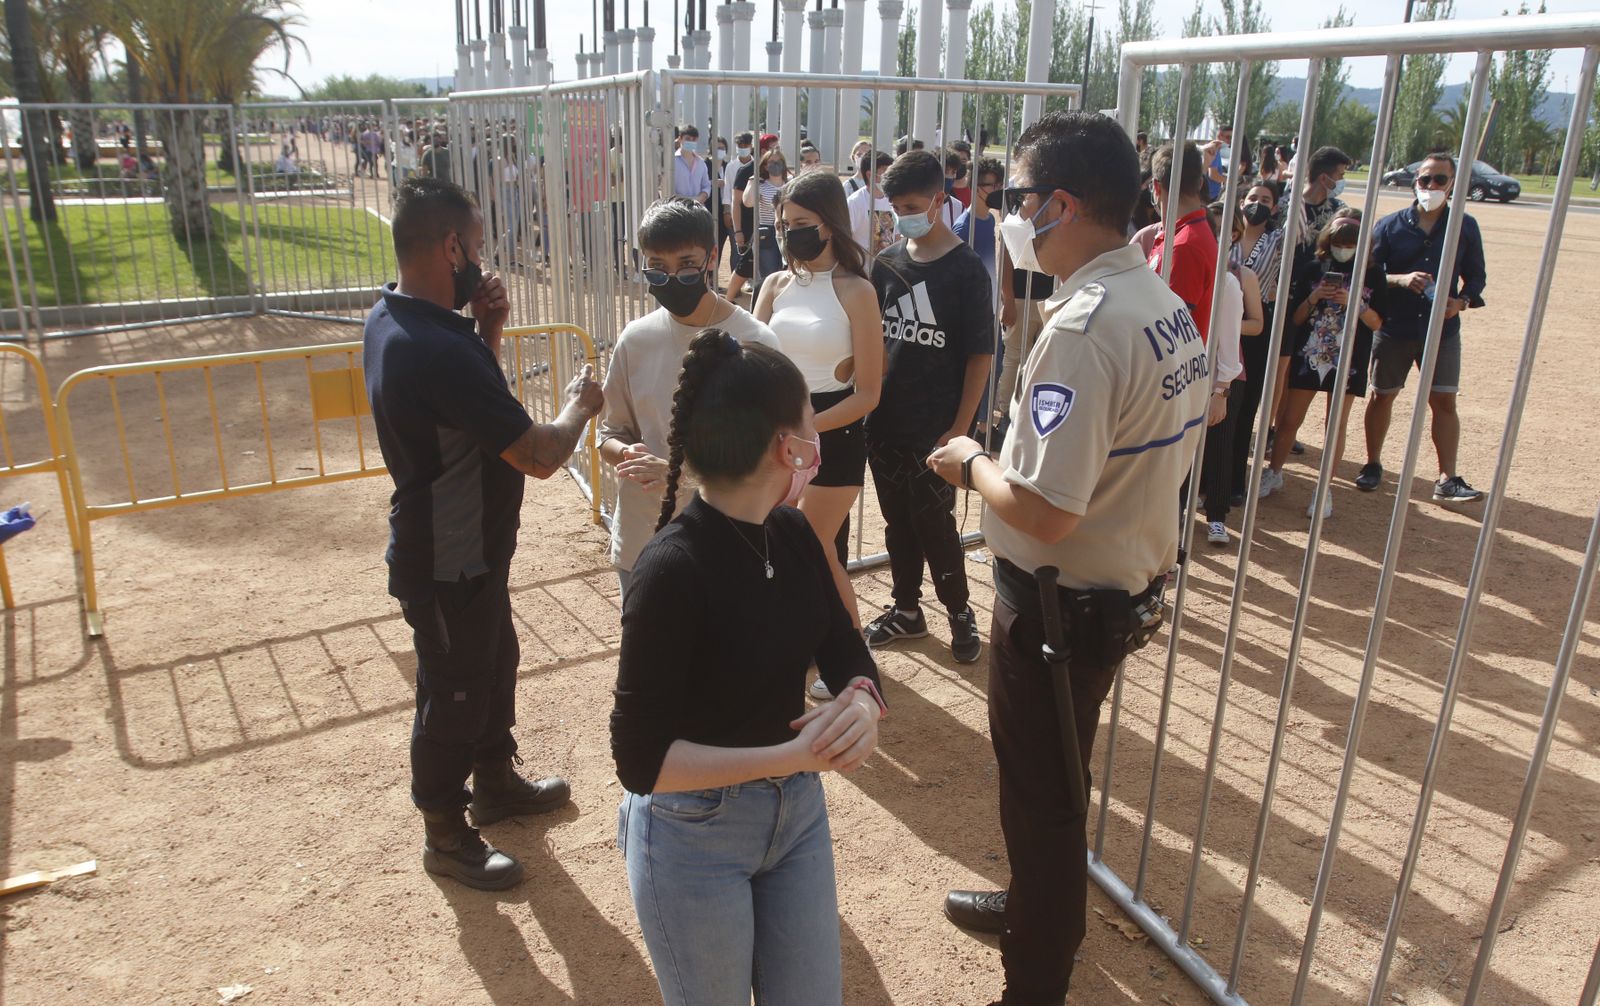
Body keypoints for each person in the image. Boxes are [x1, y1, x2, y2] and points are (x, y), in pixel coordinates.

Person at [926, 111, 1210, 1006]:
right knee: (1055, 773)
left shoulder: (1086, 327)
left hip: (1059, 604)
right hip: (1109, 591)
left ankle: (1033, 979)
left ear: (1061, 203)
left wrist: (969, 460)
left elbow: (1044, 511)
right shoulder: (1156, 301)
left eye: (1016, 198)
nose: (1010, 215)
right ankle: (1028, 907)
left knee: (1042, 803)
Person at [610, 329, 886, 1006]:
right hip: (692, 834)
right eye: (808, 418)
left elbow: (846, 647)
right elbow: (639, 760)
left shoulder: (792, 533)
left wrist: (862, 700)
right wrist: (791, 752)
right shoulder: (671, 571)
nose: (817, 433)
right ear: (784, 446)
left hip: (795, 817)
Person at [363, 177, 603, 890]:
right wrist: (578, 406)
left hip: (470, 555)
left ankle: (496, 783)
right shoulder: (435, 347)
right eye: (477, 246)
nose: (483, 260)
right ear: (450, 246)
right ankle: (445, 831)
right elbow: (538, 454)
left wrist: (490, 334)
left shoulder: (397, 318)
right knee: (455, 693)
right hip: (447, 562)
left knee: (495, 659)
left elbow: (467, 412)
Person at [598, 198, 779, 598]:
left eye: (686, 264)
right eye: (657, 267)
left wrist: (678, 473)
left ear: (713, 257)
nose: (672, 277)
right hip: (642, 542)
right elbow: (608, 433)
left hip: (727, 542)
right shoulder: (635, 338)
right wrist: (629, 456)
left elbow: (774, 459)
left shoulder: (757, 342)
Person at [754, 171, 884, 696]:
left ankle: (854, 659)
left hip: (834, 433)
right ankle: (803, 644)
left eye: (801, 224)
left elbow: (869, 393)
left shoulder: (858, 291)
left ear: (830, 223)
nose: (789, 234)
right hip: (774, 432)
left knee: (813, 547)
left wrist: (806, 432)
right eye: (784, 224)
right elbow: (753, 351)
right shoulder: (775, 284)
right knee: (777, 548)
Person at [862, 149, 992, 664]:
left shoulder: (965, 271)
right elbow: (875, 340)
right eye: (895, 205)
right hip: (885, 423)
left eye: (913, 204)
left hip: (936, 430)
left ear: (941, 200)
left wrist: (959, 429)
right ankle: (906, 610)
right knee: (897, 525)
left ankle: (959, 611)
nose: (903, 214)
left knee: (937, 525)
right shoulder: (887, 263)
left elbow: (980, 356)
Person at [1358, 151, 1487, 503]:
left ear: (1453, 184)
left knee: (1444, 401)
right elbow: (1367, 276)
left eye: (1439, 180)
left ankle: (1448, 478)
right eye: (1424, 179)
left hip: (1442, 331)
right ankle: (1372, 465)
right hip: (1394, 328)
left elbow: (1476, 278)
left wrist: (1459, 303)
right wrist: (1400, 280)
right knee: (1382, 395)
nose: (1430, 186)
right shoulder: (1388, 226)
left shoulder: (1465, 226)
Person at [1258, 209, 1386, 518]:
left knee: (1335, 425)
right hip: (1310, 356)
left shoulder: (1373, 274)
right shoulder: (1313, 267)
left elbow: (1378, 322)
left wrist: (1355, 303)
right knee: (1289, 418)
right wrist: (1315, 297)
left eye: (1350, 241)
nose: (1343, 246)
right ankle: (1274, 472)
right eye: (1338, 240)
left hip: (1349, 359)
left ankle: (1324, 488)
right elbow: (1298, 317)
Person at [1195, 202, 1254, 544]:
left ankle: (1216, 516)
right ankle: (1180, 512)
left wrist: (1221, 390)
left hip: (1221, 379)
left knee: (1219, 446)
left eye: (1220, 230)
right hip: (1186, 377)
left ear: (1233, 234)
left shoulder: (1230, 282)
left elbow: (1229, 343)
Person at [1231, 182, 1287, 504]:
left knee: (1246, 404)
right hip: (1224, 319)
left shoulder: (1278, 240)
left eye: (1266, 200)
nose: (1257, 204)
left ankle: (1235, 481)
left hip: (1256, 323)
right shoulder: (1226, 233)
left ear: (1275, 207)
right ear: (1241, 201)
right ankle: (1206, 479)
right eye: (1252, 198)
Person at [953, 158, 1006, 438]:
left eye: (1000, 184)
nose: (997, 189)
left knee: (992, 369)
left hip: (991, 312)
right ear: (975, 187)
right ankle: (975, 429)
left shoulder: (994, 222)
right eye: (991, 185)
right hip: (973, 317)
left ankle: (983, 426)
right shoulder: (965, 227)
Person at [1147, 141, 1219, 343]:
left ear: (1156, 187)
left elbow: (1170, 335)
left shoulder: (1184, 245)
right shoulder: (1185, 235)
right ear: (1200, 183)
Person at [728, 133, 779, 303]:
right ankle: (729, 299)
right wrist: (738, 231)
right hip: (749, 226)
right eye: (773, 148)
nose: (776, 151)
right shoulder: (747, 171)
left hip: (769, 228)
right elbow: (736, 203)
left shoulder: (777, 171)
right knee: (745, 265)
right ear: (764, 150)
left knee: (752, 266)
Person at [1281, 145, 1352, 257]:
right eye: (1341, 175)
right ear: (1323, 178)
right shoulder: (1285, 206)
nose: (1342, 181)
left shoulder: (1339, 211)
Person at [740, 148, 791, 296]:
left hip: (787, 232)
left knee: (786, 272)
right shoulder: (761, 185)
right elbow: (748, 202)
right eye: (772, 162)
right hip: (767, 233)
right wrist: (753, 181)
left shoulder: (791, 183)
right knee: (769, 274)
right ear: (765, 165)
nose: (776, 165)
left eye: (779, 161)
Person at [720, 131, 755, 290]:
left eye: (745, 146)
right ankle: (737, 280)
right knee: (737, 248)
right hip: (736, 210)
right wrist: (726, 210)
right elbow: (727, 190)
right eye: (740, 146)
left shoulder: (757, 165)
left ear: (751, 146)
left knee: (754, 246)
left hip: (752, 211)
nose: (743, 149)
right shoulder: (731, 166)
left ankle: (751, 280)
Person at [847, 149, 897, 258]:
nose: (891, 176)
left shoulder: (894, 200)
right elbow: (846, 238)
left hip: (888, 267)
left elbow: (897, 236)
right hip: (863, 269)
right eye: (885, 171)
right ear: (870, 175)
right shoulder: (854, 202)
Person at [673, 124, 712, 206]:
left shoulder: (701, 163)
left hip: (697, 209)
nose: (690, 142)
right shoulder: (672, 162)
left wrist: (700, 198)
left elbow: (706, 186)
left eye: (693, 139)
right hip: (677, 208)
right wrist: (688, 201)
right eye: (687, 139)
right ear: (680, 139)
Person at [1203, 123, 1233, 201]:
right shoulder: (1213, 150)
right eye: (1228, 137)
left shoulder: (1217, 150)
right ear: (1220, 136)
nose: (1230, 141)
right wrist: (1231, 180)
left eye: (1232, 138)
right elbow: (1213, 175)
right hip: (1210, 195)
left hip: (1210, 194)